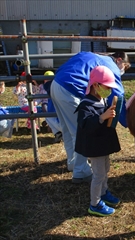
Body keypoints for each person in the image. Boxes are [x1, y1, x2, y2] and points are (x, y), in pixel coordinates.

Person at [50, 51, 130, 183]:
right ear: (119, 60)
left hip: (57, 84)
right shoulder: (110, 65)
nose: (123, 70)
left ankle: (73, 163)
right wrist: (127, 121)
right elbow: (117, 93)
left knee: (67, 130)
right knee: (81, 132)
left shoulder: (92, 56)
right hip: (71, 89)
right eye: (125, 66)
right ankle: (81, 172)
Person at [75, 66, 121, 216]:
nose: (108, 90)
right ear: (96, 85)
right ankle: (95, 203)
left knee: (105, 169)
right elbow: (86, 125)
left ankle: (103, 192)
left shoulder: (102, 99)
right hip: (95, 147)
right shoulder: (86, 105)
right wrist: (102, 117)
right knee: (98, 174)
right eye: (106, 87)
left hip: (102, 145)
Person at [40, 71, 63, 143]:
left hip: (60, 121)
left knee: (47, 116)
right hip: (69, 121)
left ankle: (57, 133)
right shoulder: (60, 90)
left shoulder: (49, 91)